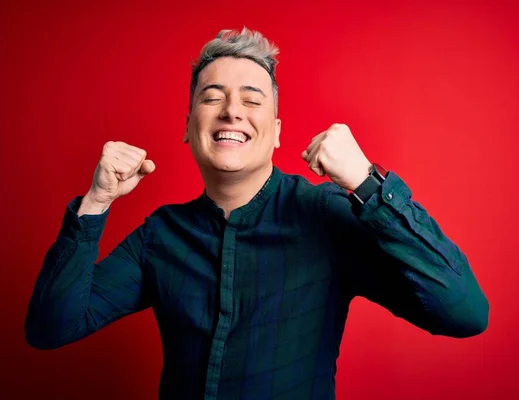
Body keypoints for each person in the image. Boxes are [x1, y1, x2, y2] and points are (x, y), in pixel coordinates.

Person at [25, 27, 489, 399]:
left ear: (277, 131)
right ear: (189, 128)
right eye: (211, 98)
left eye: (251, 100)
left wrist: (368, 184)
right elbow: (51, 328)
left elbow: (465, 313)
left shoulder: (326, 217)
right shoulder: (161, 235)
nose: (231, 112)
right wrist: (96, 202)